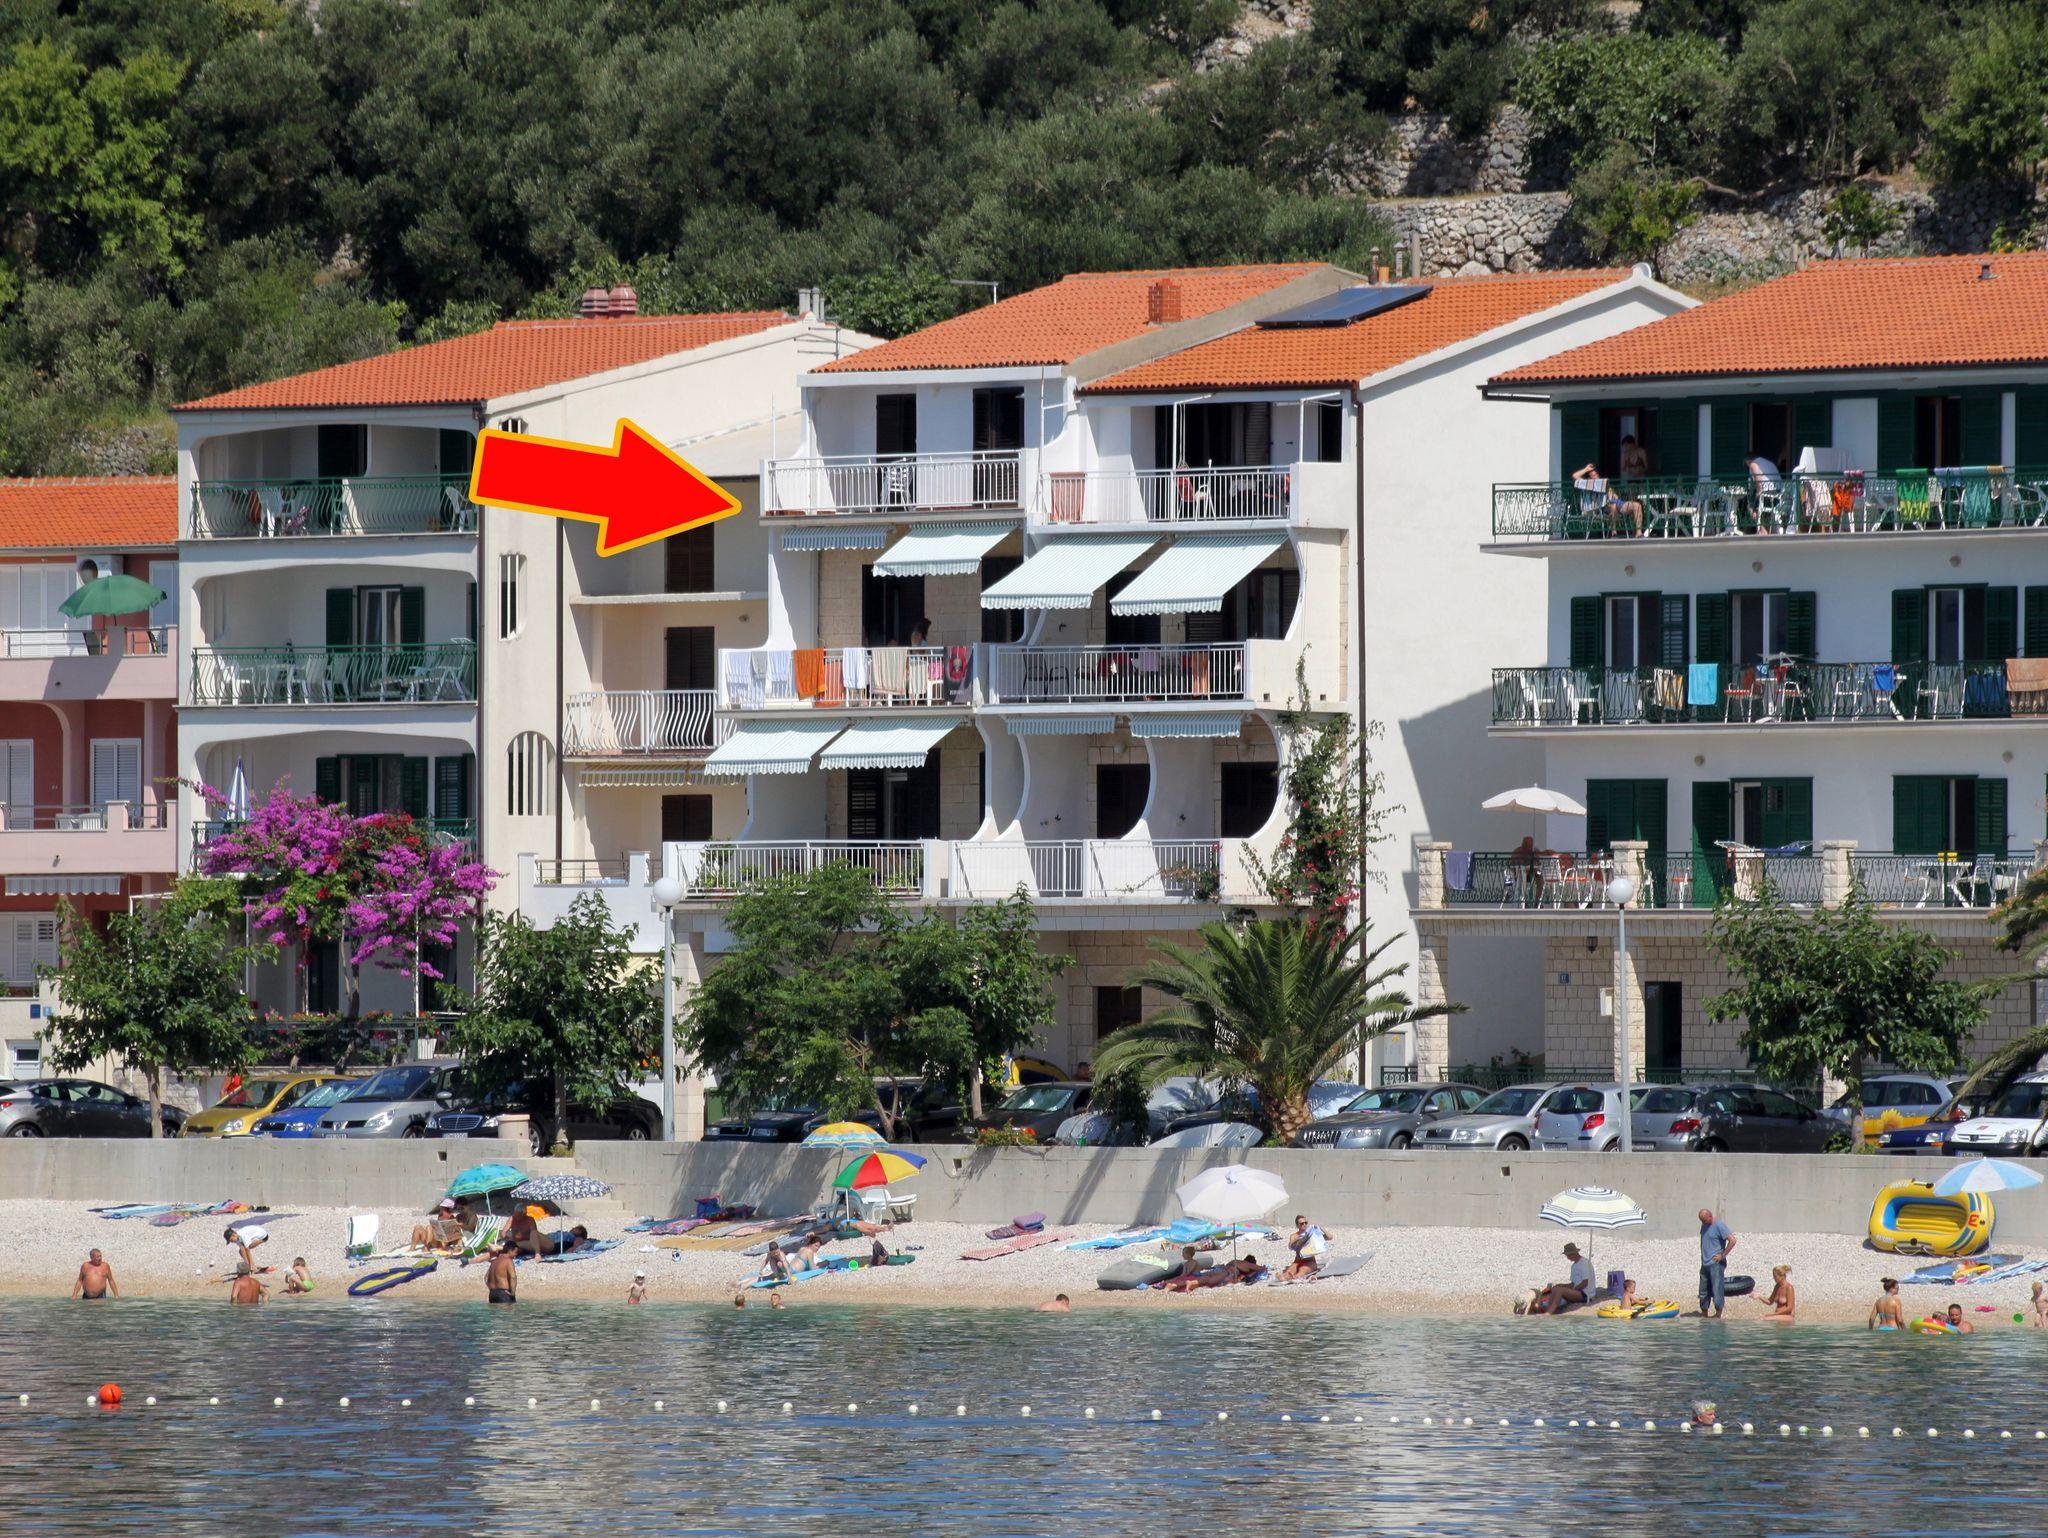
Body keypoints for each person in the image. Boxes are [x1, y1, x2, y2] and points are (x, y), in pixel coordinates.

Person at [1570, 460, 1643, 535]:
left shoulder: (1604, 484)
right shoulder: (1588, 485)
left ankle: (1638, 532)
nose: (1596, 476)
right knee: (1613, 506)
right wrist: (1586, 469)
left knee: (1637, 506)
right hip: (1603, 507)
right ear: (1589, 478)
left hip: (1618, 503)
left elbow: (1615, 497)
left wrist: (1612, 494)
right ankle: (1613, 531)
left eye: (1596, 474)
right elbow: (1575, 476)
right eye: (1593, 475)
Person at [1531, 1242, 1592, 1315]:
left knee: (1560, 1290)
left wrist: (1573, 1290)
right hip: (1578, 1291)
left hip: (1585, 1294)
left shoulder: (1584, 1263)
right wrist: (1563, 1285)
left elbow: (1586, 1282)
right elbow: (1573, 1283)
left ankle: (1549, 1313)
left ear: (1573, 1254)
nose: (1567, 1258)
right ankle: (1548, 1308)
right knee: (1556, 1288)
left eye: (1568, 1255)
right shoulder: (1574, 1266)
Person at [1697, 1208, 1736, 1319]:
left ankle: (1718, 1314)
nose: (1703, 1223)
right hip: (1705, 1264)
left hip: (1716, 1264)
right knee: (1703, 1291)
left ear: (1710, 1216)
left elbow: (1732, 1240)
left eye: (1705, 1220)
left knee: (1717, 1289)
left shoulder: (1719, 1225)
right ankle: (1704, 1314)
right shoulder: (1704, 1226)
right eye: (1702, 1221)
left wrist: (1722, 1255)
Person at [1283, 1214, 1326, 1282]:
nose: (1304, 1224)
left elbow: (1330, 1237)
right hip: (1297, 1261)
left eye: (1306, 1223)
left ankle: (1297, 1277)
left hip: (1310, 1261)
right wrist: (1300, 1240)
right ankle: (1285, 1277)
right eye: (1301, 1223)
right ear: (1297, 1225)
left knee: (1302, 1270)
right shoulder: (1294, 1236)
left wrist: (1320, 1228)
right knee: (1290, 1270)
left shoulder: (1311, 1233)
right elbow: (1291, 1247)